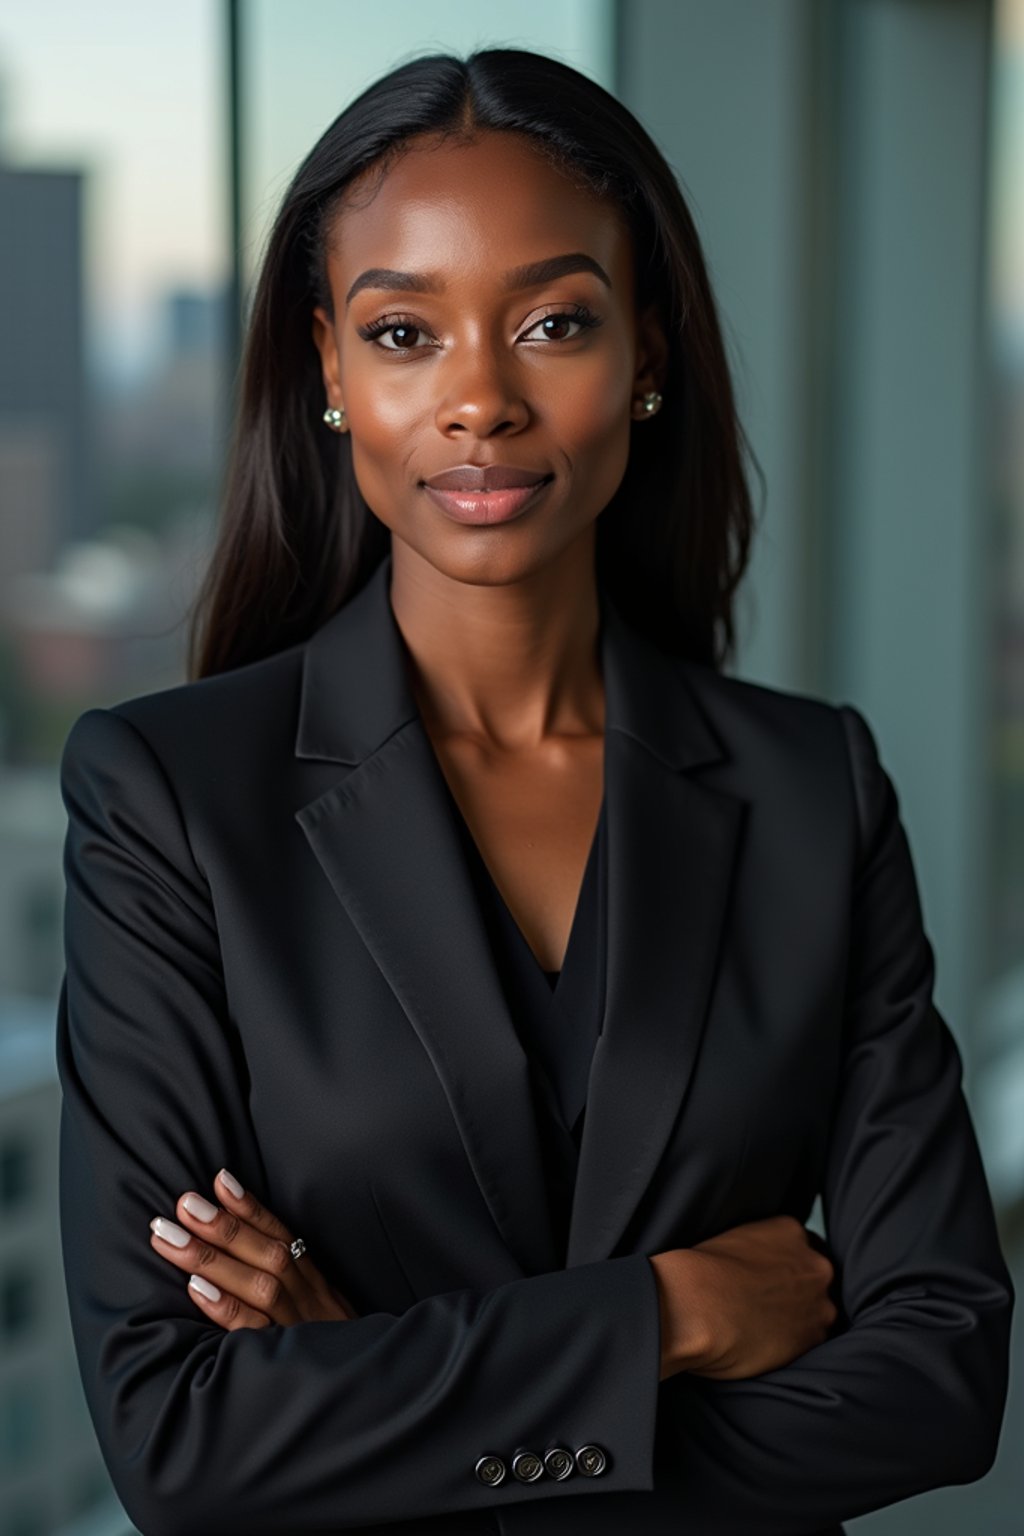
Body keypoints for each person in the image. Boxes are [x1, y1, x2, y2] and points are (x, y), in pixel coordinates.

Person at [55, 46, 1013, 1536]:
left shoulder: (812, 789)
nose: (480, 403)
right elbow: (179, 1440)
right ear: (328, 369)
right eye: (404, 333)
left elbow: (941, 1375)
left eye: (554, 321)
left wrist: (379, 1409)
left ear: (646, 355)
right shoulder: (169, 801)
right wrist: (666, 1319)